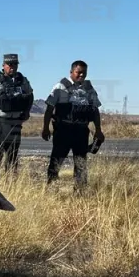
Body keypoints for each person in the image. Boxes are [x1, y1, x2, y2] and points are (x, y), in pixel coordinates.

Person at [42, 60, 104, 189]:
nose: (81, 75)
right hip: (63, 130)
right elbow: (49, 109)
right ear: (71, 72)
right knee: (56, 161)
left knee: (81, 164)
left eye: (84, 73)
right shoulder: (60, 87)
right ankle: (51, 189)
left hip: (81, 131)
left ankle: (80, 192)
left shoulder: (89, 89)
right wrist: (45, 128)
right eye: (78, 72)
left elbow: (95, 111)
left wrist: (98, 130)